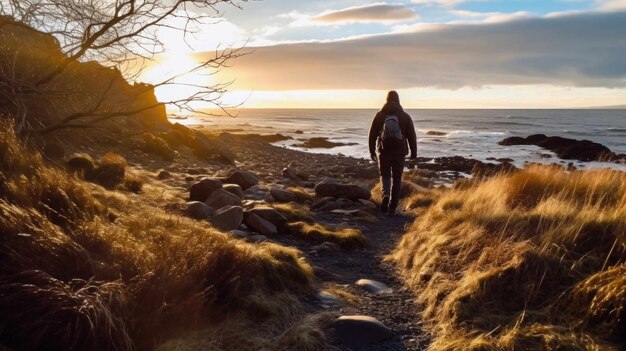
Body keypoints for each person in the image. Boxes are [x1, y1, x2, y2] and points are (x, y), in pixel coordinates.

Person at [368, 91, 417, 215]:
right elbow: (411, 136)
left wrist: (372, 150)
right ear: (398, 100)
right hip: (399, 152)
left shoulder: (379, 115)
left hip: (383, 151)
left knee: (384, 175)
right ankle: (392, 208)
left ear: (387, 100)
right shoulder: (405, 116)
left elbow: (372, 135)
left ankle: (385, 194)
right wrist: (413, 153)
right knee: (396, 178)